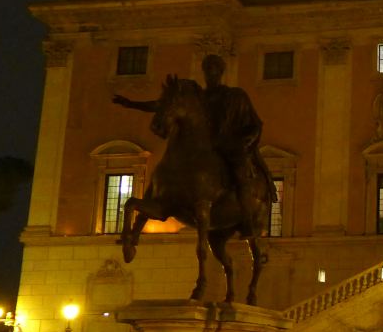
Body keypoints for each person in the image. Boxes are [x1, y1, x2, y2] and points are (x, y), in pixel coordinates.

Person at [114, 54, 272, 214]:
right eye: (207, 70)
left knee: (240, 172)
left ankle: (247, 219)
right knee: (166, 167)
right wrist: (132, 104)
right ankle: (156, 200)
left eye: (214, 70)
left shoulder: (235, 95)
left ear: (220, 72)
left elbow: (255, 124)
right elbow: (165, 105)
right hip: (206, 144)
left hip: (228, 145)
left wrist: (245, 143)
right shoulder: (198, 97)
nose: (210, 74)